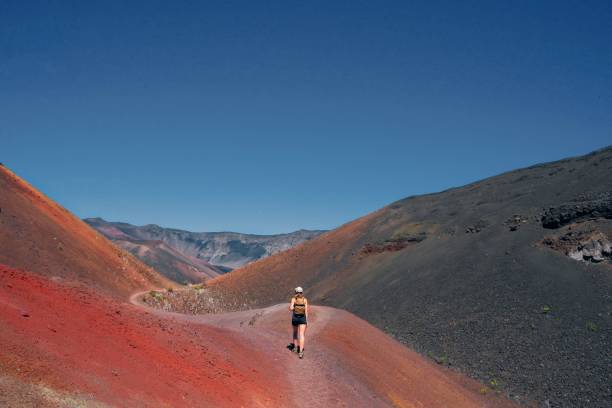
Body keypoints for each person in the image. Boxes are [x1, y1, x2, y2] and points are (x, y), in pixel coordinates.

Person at [288, 286, 308, 359]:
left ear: (295, 292)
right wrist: (307, 321)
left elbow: (291, 308)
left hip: (295, 318)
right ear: (302, 292)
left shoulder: (293, 299)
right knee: (302, 334)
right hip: (303, 318)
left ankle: (295, 348)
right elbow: (306, 311)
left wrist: (292, 306)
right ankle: (301, 352)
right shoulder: (305, 300)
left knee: (295, 332)